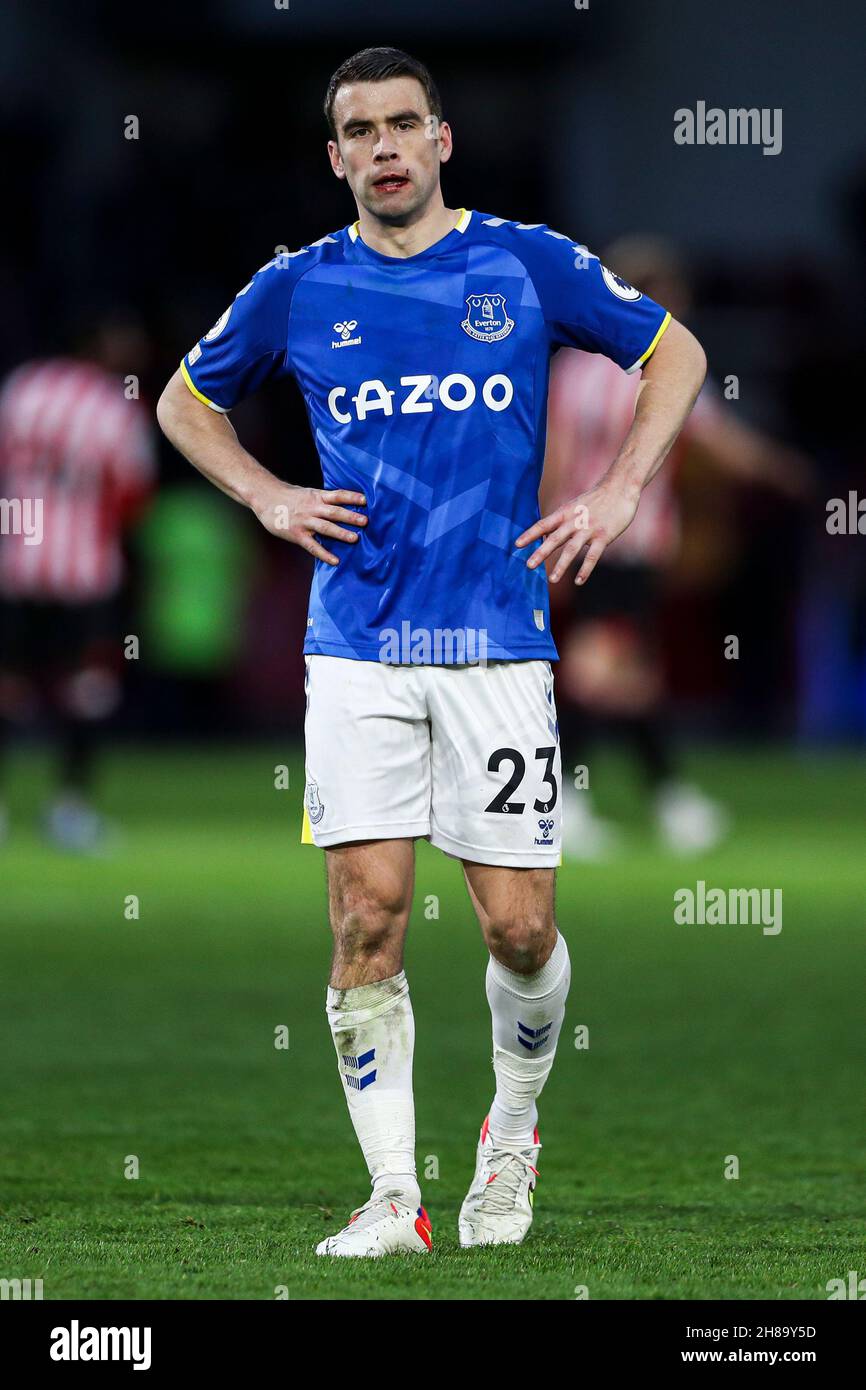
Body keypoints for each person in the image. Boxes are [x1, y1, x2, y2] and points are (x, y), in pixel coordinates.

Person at [156, 47, 706, 1256]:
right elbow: (183, 403)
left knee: (516, 928)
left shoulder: (522, 260)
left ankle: (509, 1144)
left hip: (498, 648)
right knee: (367, 919)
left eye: (406, 123)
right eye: (363, 130)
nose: (387, 146)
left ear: (441, 140)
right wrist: (263, 494)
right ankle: (393, 1199)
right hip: (354, 648)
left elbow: (673, 353)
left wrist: (617, 490)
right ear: (338, 156)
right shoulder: (294, 287)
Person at [543, 236, 813, 857]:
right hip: (627, 540)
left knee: (623, 672)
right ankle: (574, 801)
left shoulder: (574, 370)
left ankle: (650, 801)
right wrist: (791, 474)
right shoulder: (664, 367)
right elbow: (727, 446)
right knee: (602, 669)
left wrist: (541, 534)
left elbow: (552, 464)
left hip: (578, 536)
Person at [0, 314, 155, 851]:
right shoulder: (115, 405)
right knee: (88, 689)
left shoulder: (22, 387)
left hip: (15, 562)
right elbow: (132, 495)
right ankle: (69, 811)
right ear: (100, 342)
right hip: (85, 574)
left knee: (10, 684)